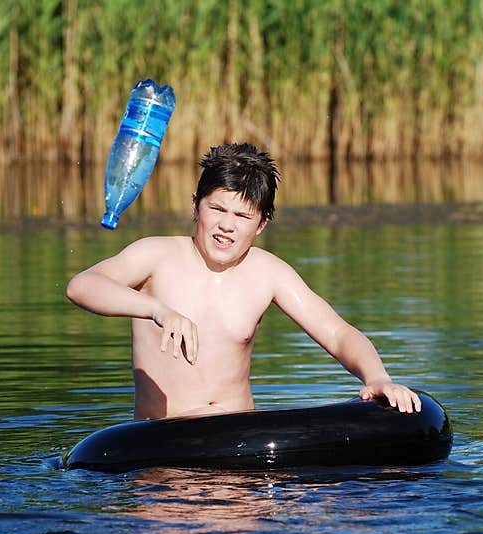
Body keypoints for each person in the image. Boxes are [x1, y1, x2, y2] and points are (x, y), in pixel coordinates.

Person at [66, 142, 421, 420]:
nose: (226, 226)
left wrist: (376, 378)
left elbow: (338, 333)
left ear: (261, 224)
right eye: (217, 210)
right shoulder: (155, 256)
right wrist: (156, 310)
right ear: (195, 206)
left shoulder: (268, 273)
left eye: (242, 216)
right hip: (165, 448)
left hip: (239, 442)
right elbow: (82, 285)